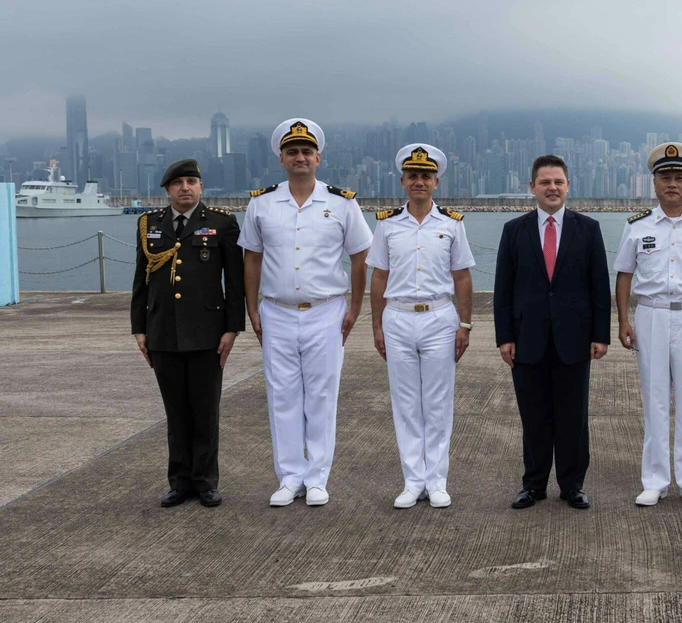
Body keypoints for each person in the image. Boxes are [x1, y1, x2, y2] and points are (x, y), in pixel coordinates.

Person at [240, 119, 373, 508]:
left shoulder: (342, 203)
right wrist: (252, 308)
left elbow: (360, 256)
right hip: (276, 311)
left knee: (320, 396)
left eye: (306, 151)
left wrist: (355, 308)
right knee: (281, 396)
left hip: (326, 311)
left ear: (318, 157)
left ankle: (317, 478)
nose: (300, 157)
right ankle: (289, 477)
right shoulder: (261, 203)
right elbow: (252, 258)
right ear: (281, 159)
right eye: (292, 151)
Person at [494, 155, 610, 510]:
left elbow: (598, 287)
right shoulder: (514, 230)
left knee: (573, 416)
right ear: (532, 188)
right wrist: (504, 337)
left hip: (573, 339)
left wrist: (601, 335)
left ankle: (572, 485)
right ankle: (533, 485)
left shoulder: (587, 228)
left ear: (568, 186)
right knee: (534, 415)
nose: (552, 188)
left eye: (558, 182)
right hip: (527, 339)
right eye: (544, 182)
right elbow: (503, 289)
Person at [615, 142, 682, 508]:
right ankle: (656, 481)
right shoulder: (637, 228)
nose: (672, 183)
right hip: (651, 314)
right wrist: (623, 319)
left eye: (679, 177)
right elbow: (624, 275)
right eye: (665, 177)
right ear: (654, 183)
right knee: (655, 400)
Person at [131, 159, 244, 508]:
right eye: (178, 183)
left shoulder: (221, 223)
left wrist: (231, 328)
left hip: (207, 333)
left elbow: (235, 282)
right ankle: (179, 482)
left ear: (201, 187)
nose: (185, 188)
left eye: (191, 181)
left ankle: (206, 482)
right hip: (163, 332)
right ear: (167, 190)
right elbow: (141, 280)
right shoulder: (150, 224)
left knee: (205, 411)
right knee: (176, 412)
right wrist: (138, 328)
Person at [369, 144, 475, 510]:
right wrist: (377, 326)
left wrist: (465, 324)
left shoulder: (452, 224)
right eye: (412, 176)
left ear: (436, 182)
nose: (419, 181)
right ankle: (413, 481)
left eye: (425, 176)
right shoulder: (386, 223)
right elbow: (379, 276)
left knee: (438, 403)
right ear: (402, 182)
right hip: (396, 317)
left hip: (439, 318)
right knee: (406, 403)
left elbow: (461, 277)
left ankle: (437, 481)